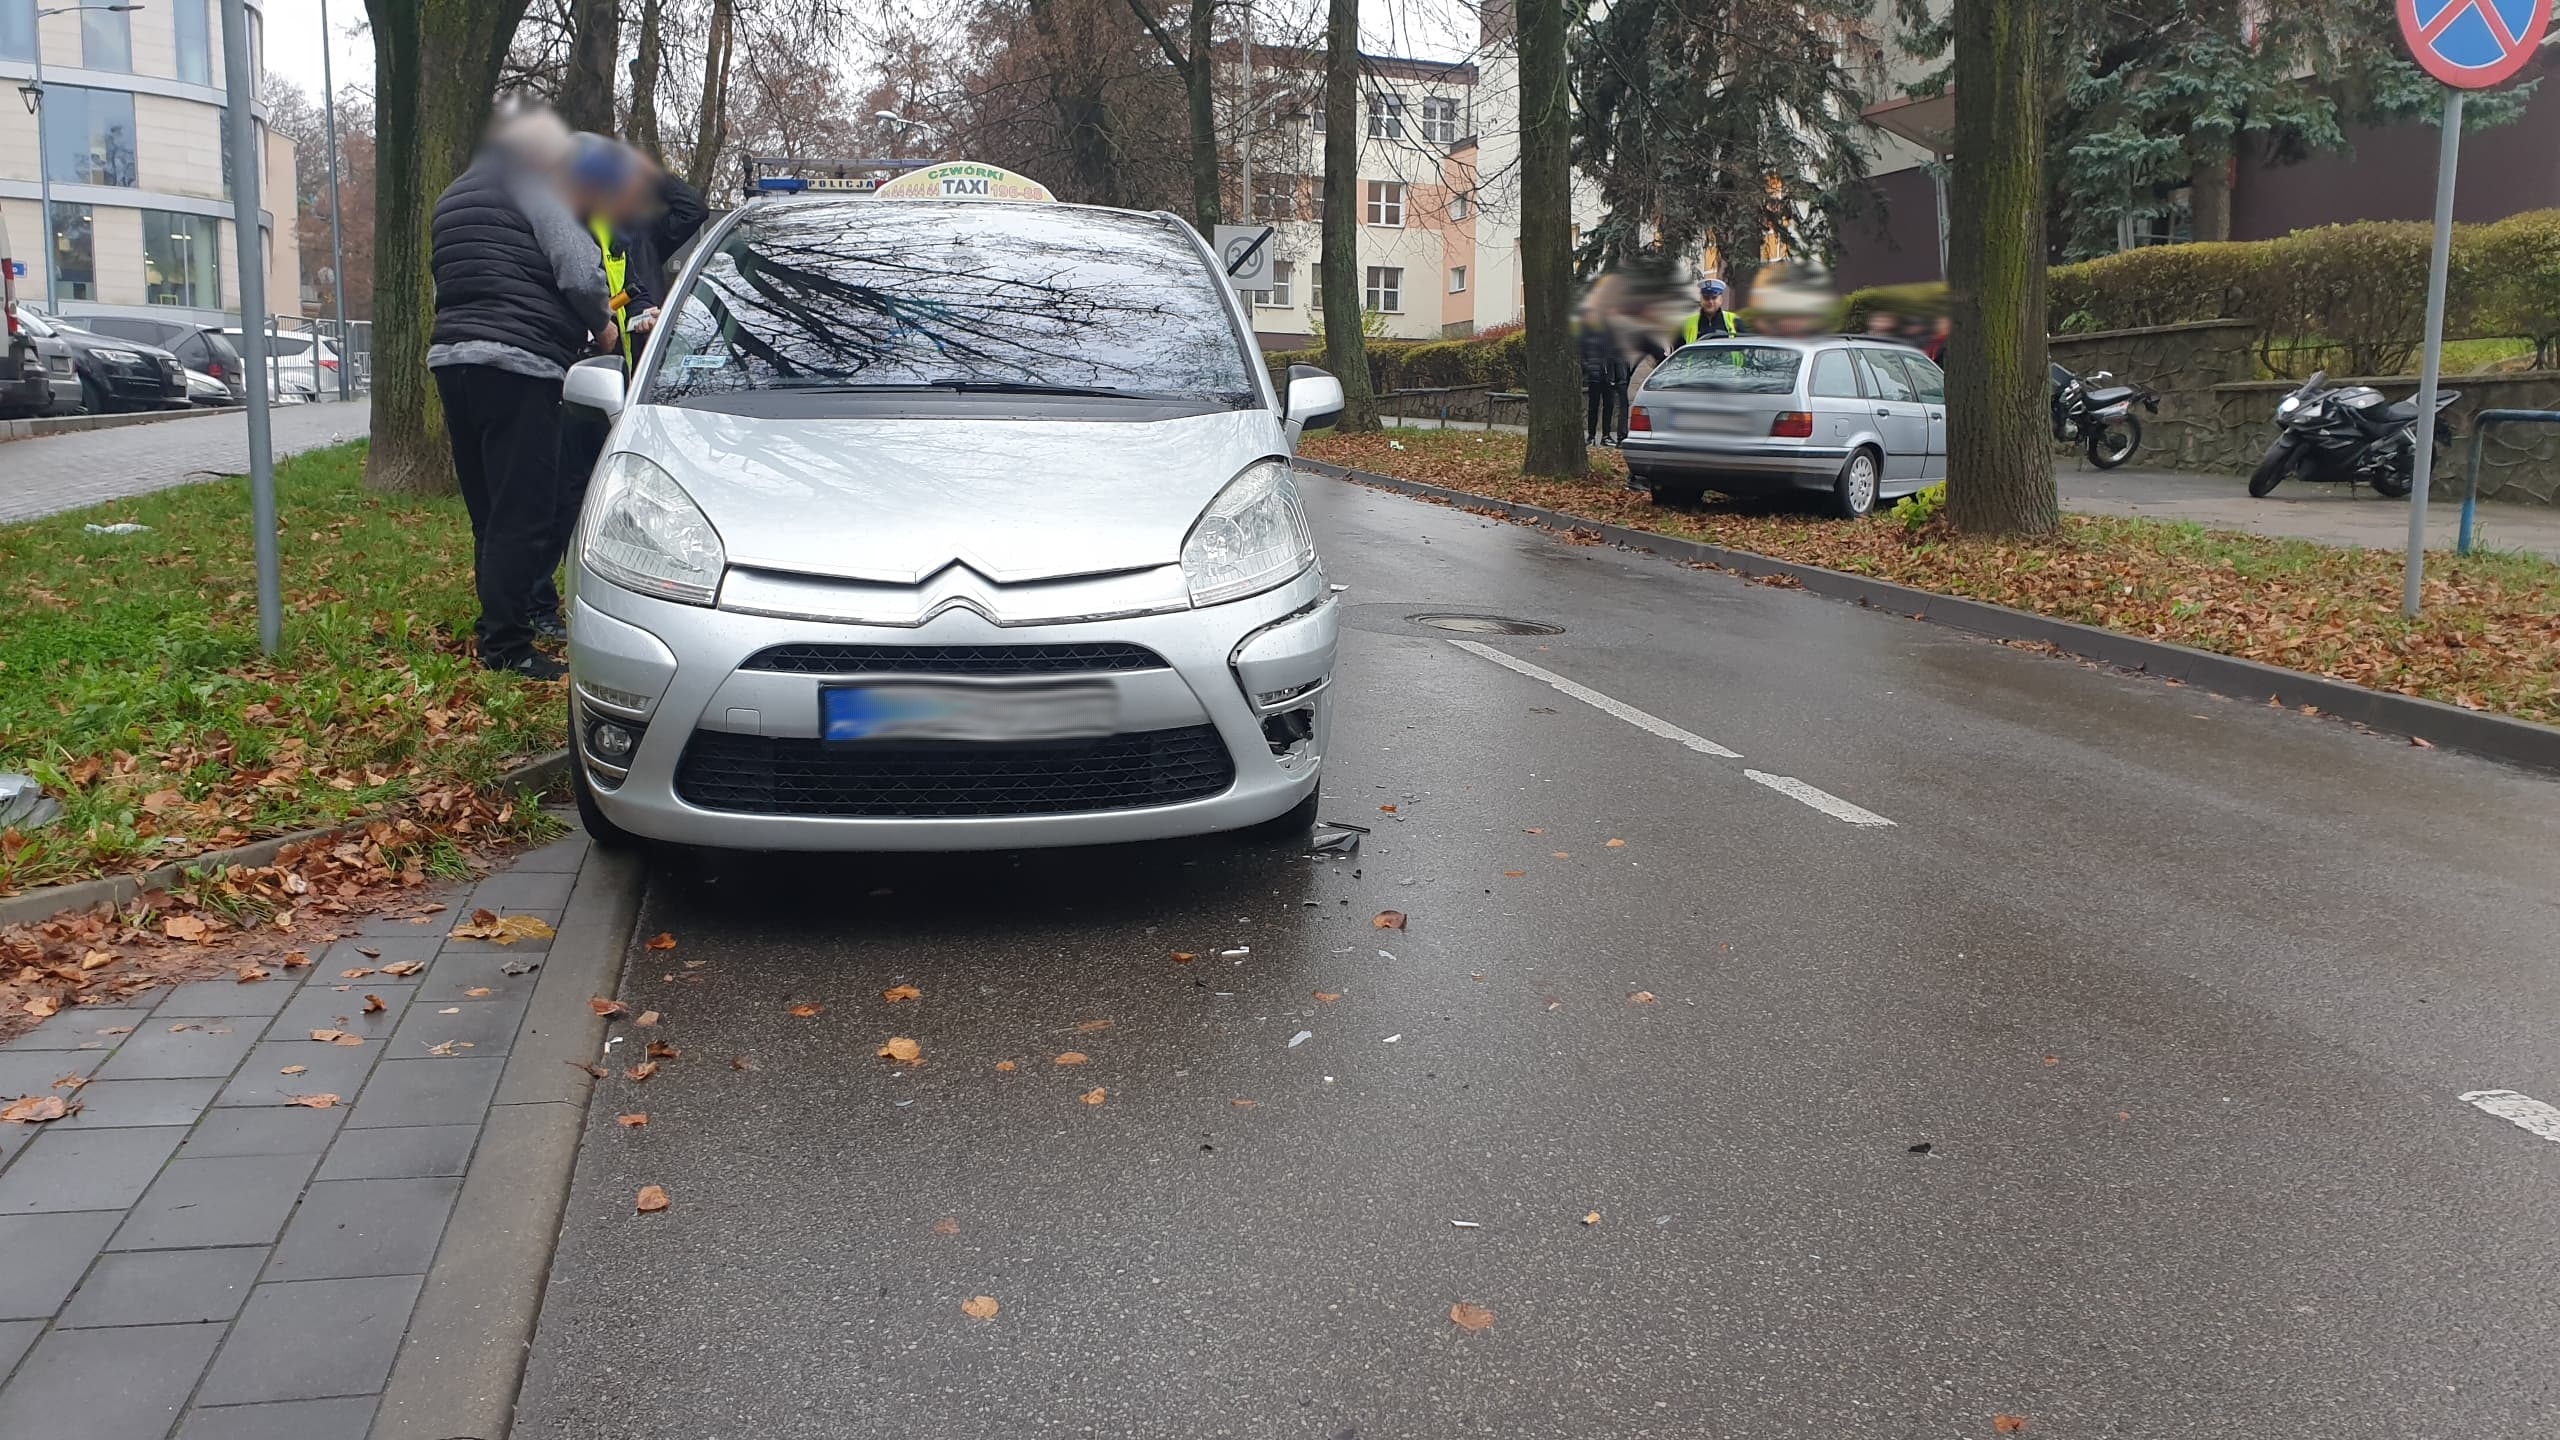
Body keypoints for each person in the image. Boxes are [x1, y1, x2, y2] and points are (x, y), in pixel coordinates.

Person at [427, 111, 616, 679]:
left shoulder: (452, 197)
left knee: (489, 507)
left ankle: (497, 623)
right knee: (525, 510)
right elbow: (580, 271)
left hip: (453, 362)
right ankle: (507, 649)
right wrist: (603, 326)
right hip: (519, 364)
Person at [529, 138, 710, 641]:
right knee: (564, 492)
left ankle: (637, 598)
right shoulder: (562, 224)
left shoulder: (637, 226)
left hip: (635, 384)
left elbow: (692, 207)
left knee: (636, 495)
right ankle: (540, 602)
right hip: (580, 375)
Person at [1579, 316, 1632, 447]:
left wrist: (1613, 374)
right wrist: (1590, 369)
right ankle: (1591, 436)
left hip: (1608, 376)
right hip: (1595, 376)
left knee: (1608, 406)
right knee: (1593, 407)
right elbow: (1584, 354)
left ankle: (1605, 435)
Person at [1679, 278, 1746, 346]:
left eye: (1714, 298)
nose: (1710, 302)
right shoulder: (1687, 324)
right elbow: (1678, 352)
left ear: (1721, 299)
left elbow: (1747, 348)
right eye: (1706, 298)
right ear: (1701, 299)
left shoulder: (1734, 320)